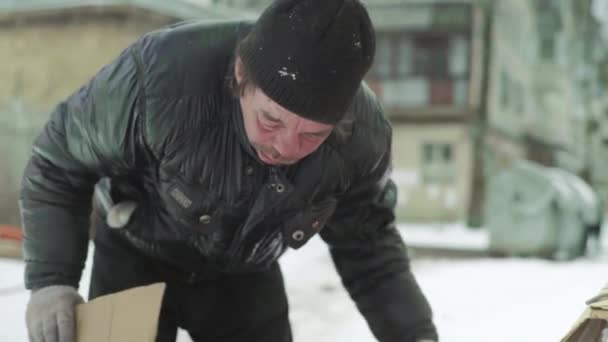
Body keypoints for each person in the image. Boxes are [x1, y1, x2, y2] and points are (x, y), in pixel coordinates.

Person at [21, 0, 438, 341]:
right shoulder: (157, 81)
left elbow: (369, 247)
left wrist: (415, 336)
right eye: (271, 121)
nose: (286, 147)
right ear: (241, 75)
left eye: (312, 135)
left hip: (244, 275)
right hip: (137, 254)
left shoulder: (361, 140)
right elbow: (59, 165)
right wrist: (52, 281)